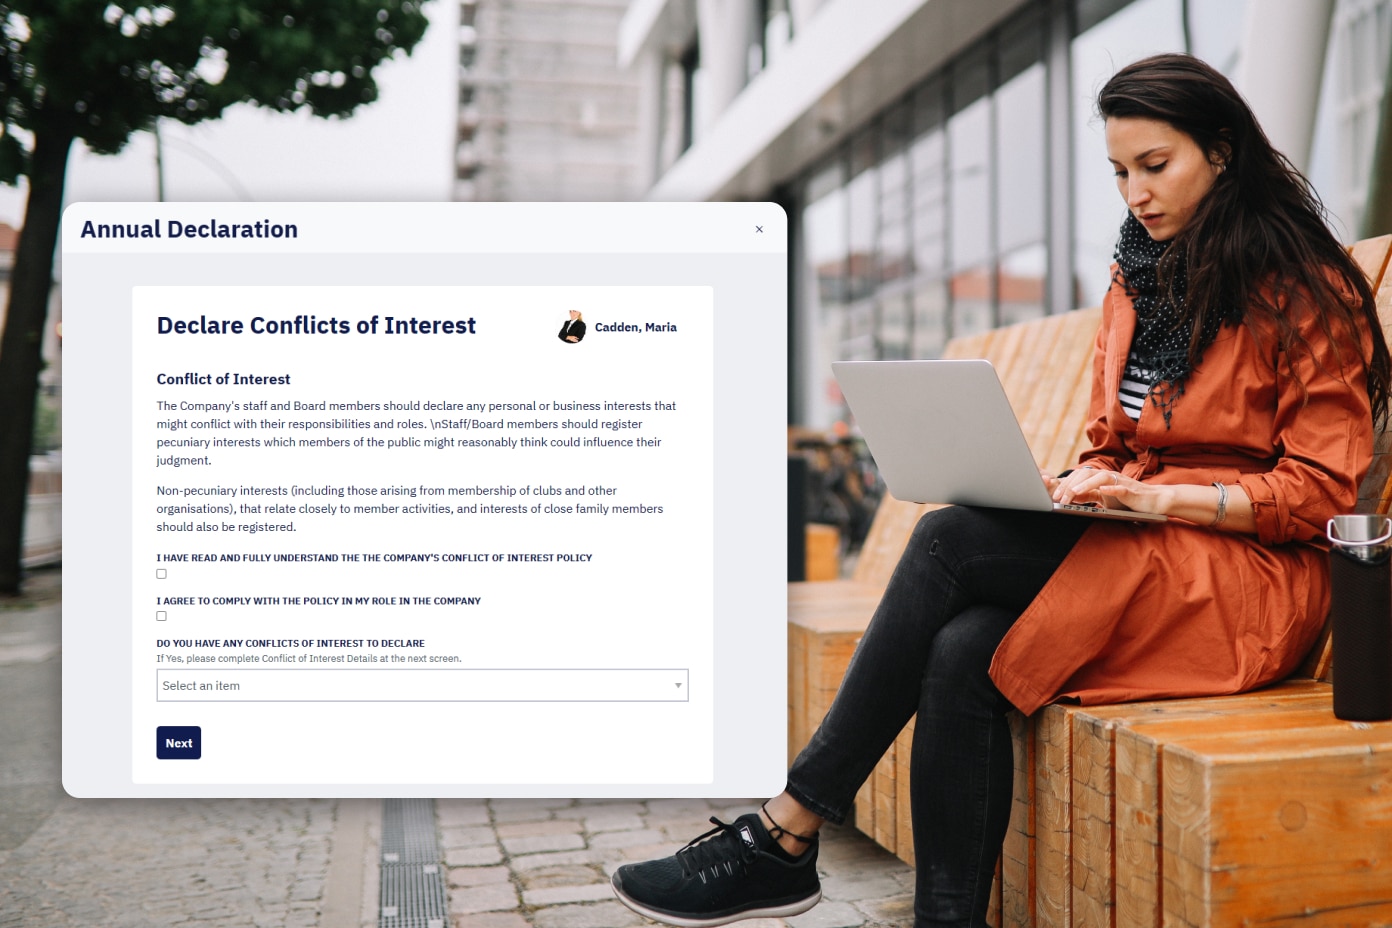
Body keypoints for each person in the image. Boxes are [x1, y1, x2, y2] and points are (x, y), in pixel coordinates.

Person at [611, 53, 1392, 928]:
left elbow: (1326, 494)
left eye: (1156, 165)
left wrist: (1158, 501)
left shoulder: (1306, 289)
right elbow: (1113, 444)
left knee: (948, 538)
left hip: (1248, 581)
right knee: (963, 650)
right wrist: (1076, 486)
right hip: (1144, 551)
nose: (1135, 192)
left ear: (1222, 152)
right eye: (1119, 171)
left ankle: (786, 832)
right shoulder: (1137, 282)